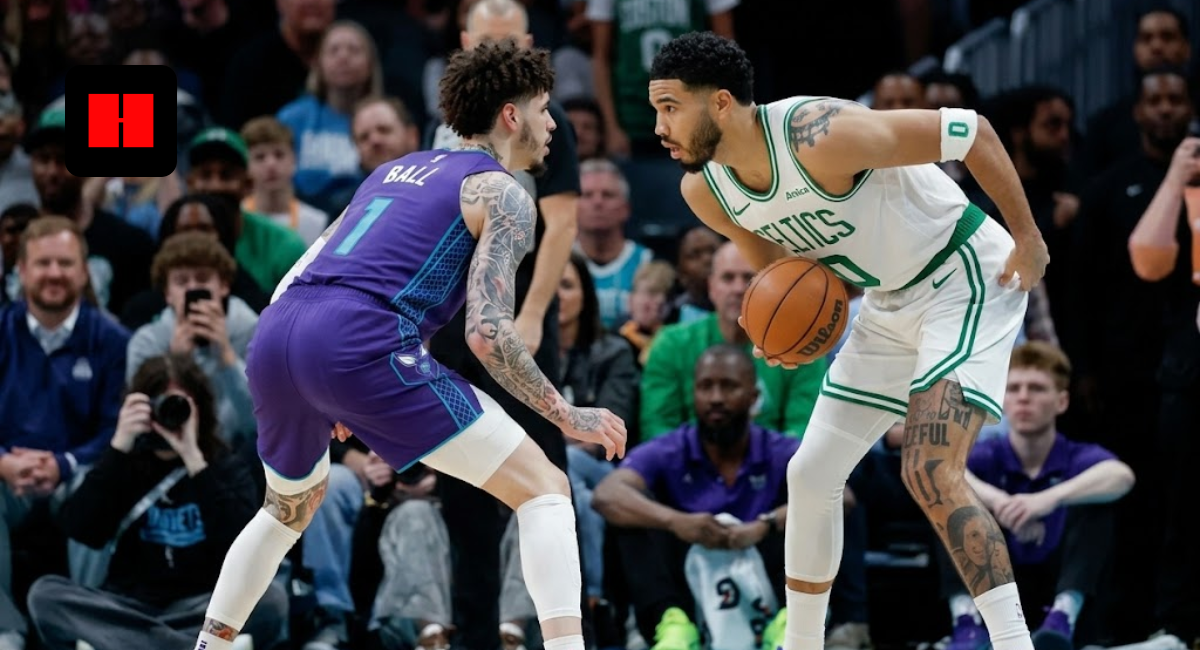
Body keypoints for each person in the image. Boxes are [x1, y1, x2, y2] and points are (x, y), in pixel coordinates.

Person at [190, 39, 626, 650]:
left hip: (280, 333)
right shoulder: (502, 192)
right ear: (511, 115)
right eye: (544, 108)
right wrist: (566, 413)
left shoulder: (392, 170)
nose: (552, 123)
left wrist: (324, 386)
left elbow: (300, 272)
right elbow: (486, 331)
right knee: (546, 489)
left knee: (285, 509)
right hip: (357, 338)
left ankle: (210, 643)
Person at [647, 32, 1050, 650]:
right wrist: (772, 330)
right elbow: (790, 277)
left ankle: (1014, 642)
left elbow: (970, 131)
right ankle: (801, 644)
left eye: (670, 107)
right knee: (809, 474)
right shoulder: (705, 190)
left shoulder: (820, 132)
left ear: (722, 103)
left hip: (963, 272)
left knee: (928, 468)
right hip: (886, 300)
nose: (658, 127)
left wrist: (1027, 236)